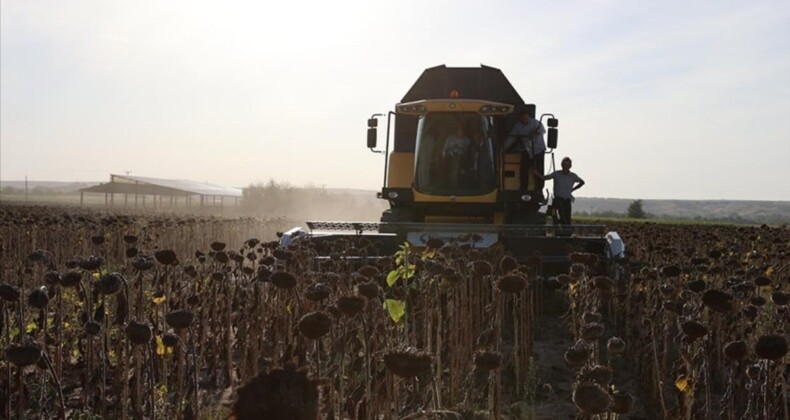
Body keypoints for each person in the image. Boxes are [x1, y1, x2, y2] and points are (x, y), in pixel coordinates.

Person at [532, 157, 585, 225]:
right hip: (558, 200)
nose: (565, 166)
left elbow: (582, 182)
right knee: (559, 215)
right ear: (562, 165)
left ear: (570, 166)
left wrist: (573, 189)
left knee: (567, 218)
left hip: (567, 200)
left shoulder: (573, 176)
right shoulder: (556, 174)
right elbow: (544, 178)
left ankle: (566, 231)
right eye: (564, 164)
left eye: (567, 165)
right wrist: (536, 173)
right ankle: (558, 227)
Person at [504, 109, 546, 191]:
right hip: (527, 150)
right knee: (523, 170)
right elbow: (511, 138)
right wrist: (504, 148)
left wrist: (535, 133)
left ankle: (538, 189)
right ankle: (523, 188)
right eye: (522, 116)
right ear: (519, 117)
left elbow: (543, 131)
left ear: (528, 116)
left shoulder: (536, 123)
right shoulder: (518, 126)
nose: (524, 117)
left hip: (538, 150)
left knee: (538, 171)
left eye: (525, 115)